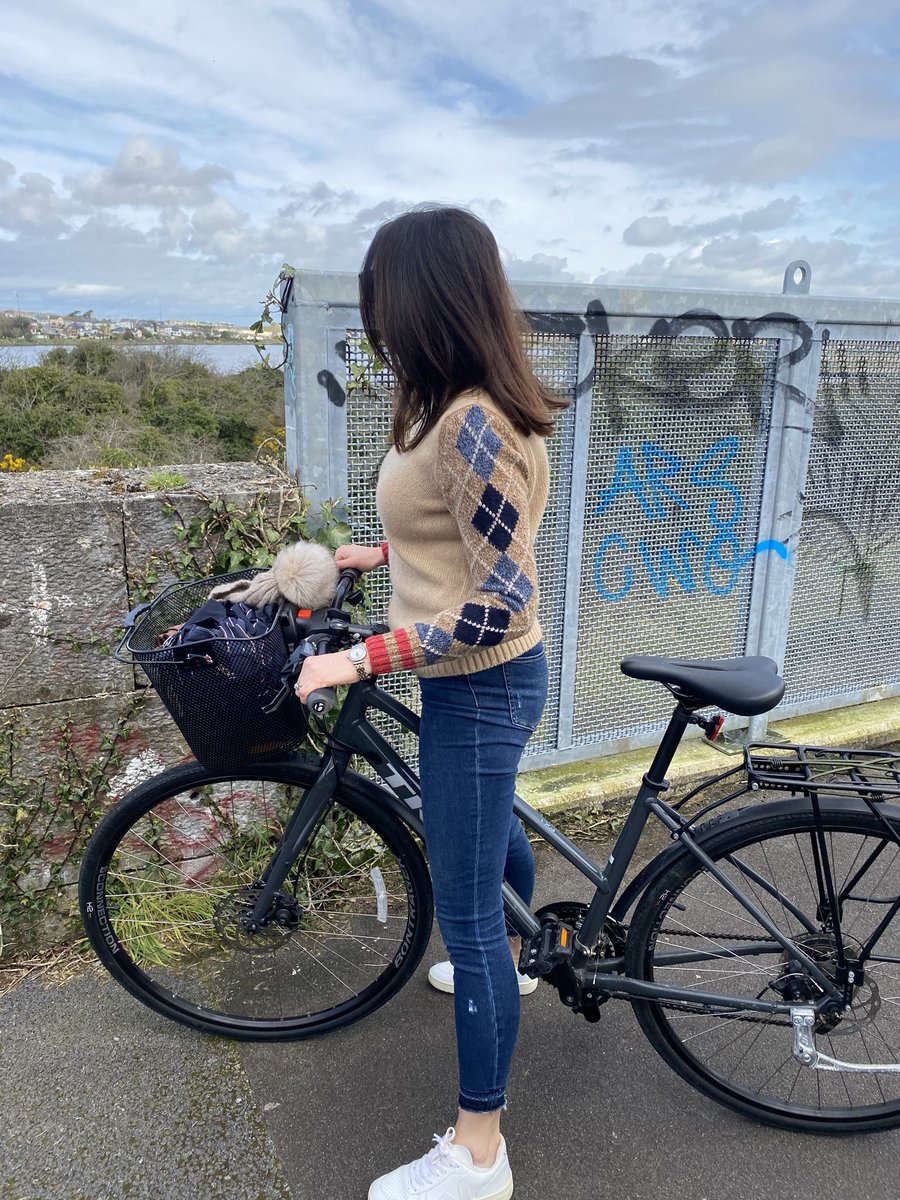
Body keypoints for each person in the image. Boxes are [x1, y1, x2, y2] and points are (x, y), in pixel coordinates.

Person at [295, 205, 568, 1200]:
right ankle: (514, 958)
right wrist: (388, 554)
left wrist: (362, 658)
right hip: (485, 685)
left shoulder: (471, 424)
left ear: (421, 298)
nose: (378, 321)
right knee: (492, 845)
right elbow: (457, 540)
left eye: (382, 299)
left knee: (461, 905)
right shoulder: (471, 399)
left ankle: (479, 1153)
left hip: (481, 684)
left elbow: (500, 602)